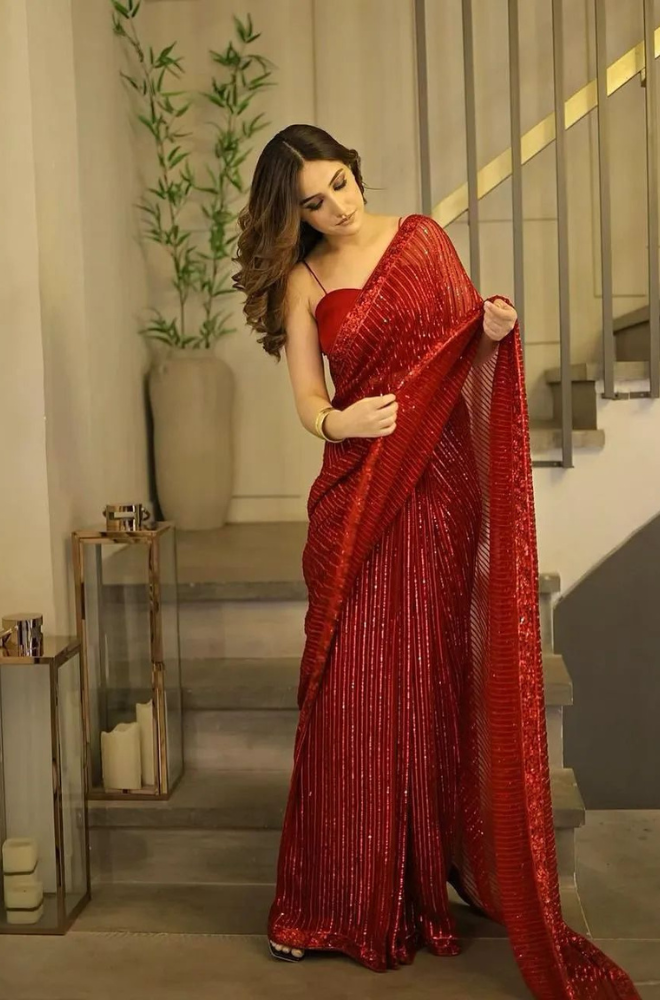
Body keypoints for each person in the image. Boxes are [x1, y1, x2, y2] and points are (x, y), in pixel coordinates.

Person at [232, 124, 640, 998]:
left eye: (341, 184)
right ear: (294, 215)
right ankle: (327, 902)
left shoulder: (420, 241)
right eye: (314, 202)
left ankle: (415, 888)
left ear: (355, 170)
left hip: (437, 491)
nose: (338, 207)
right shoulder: (304, 283)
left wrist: (492, 328)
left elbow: (464, 353)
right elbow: (306, 395)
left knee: (420, 681)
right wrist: (338, 421)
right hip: (357, 490)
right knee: (350, 695)